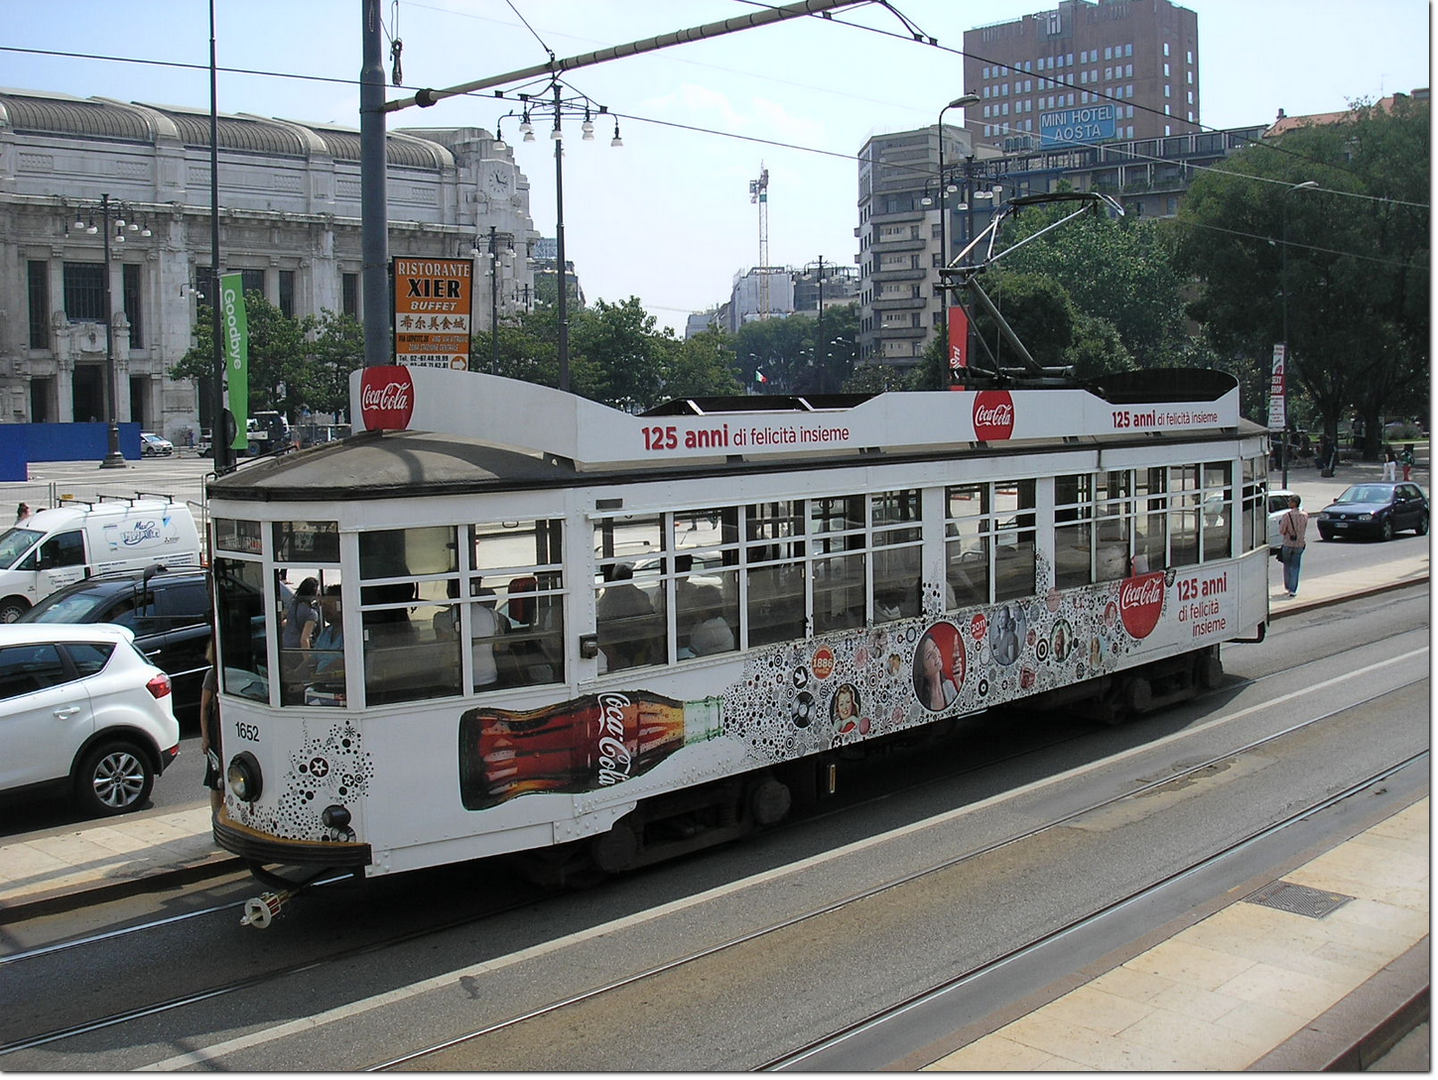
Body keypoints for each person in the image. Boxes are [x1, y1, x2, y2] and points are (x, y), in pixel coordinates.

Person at [199, 640, 223, 812]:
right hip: (216, 730)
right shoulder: (212, 675)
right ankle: (216, 815)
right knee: (216, 780)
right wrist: (205, 737)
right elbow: (205, 708)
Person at [914, 632, 958, 712]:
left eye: (935, 647)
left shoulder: (949, 685)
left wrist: (958, 680)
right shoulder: (919, 698)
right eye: (929, 655)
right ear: (922, 668)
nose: (936, 654)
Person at [1276, 494, 1308, 599]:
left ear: (1294, 503)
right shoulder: (1304, 515)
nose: (1288, 503)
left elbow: (1281, 530)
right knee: (1296, 567)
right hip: (1299, 544)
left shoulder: (1287, 516)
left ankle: (1288, 586)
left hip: (1288, 544)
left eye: (1290, 501)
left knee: (1287, 566)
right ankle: (1293, 589)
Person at [312, 585, 344, 677]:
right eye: (324, 606)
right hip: (321, 682)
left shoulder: (352, 634)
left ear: (340, 606)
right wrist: (294, 673)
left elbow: (343, 663)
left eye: (329, 607)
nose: (325, 611)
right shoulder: (325, 633)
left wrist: (319, 677)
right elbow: (313, 659)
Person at [282, 577, 320, 649]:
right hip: (297, 648)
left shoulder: (292, 605)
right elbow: (304, 640)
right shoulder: (311, 614)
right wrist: (307, 656)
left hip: (285, 645)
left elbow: (281, 619)